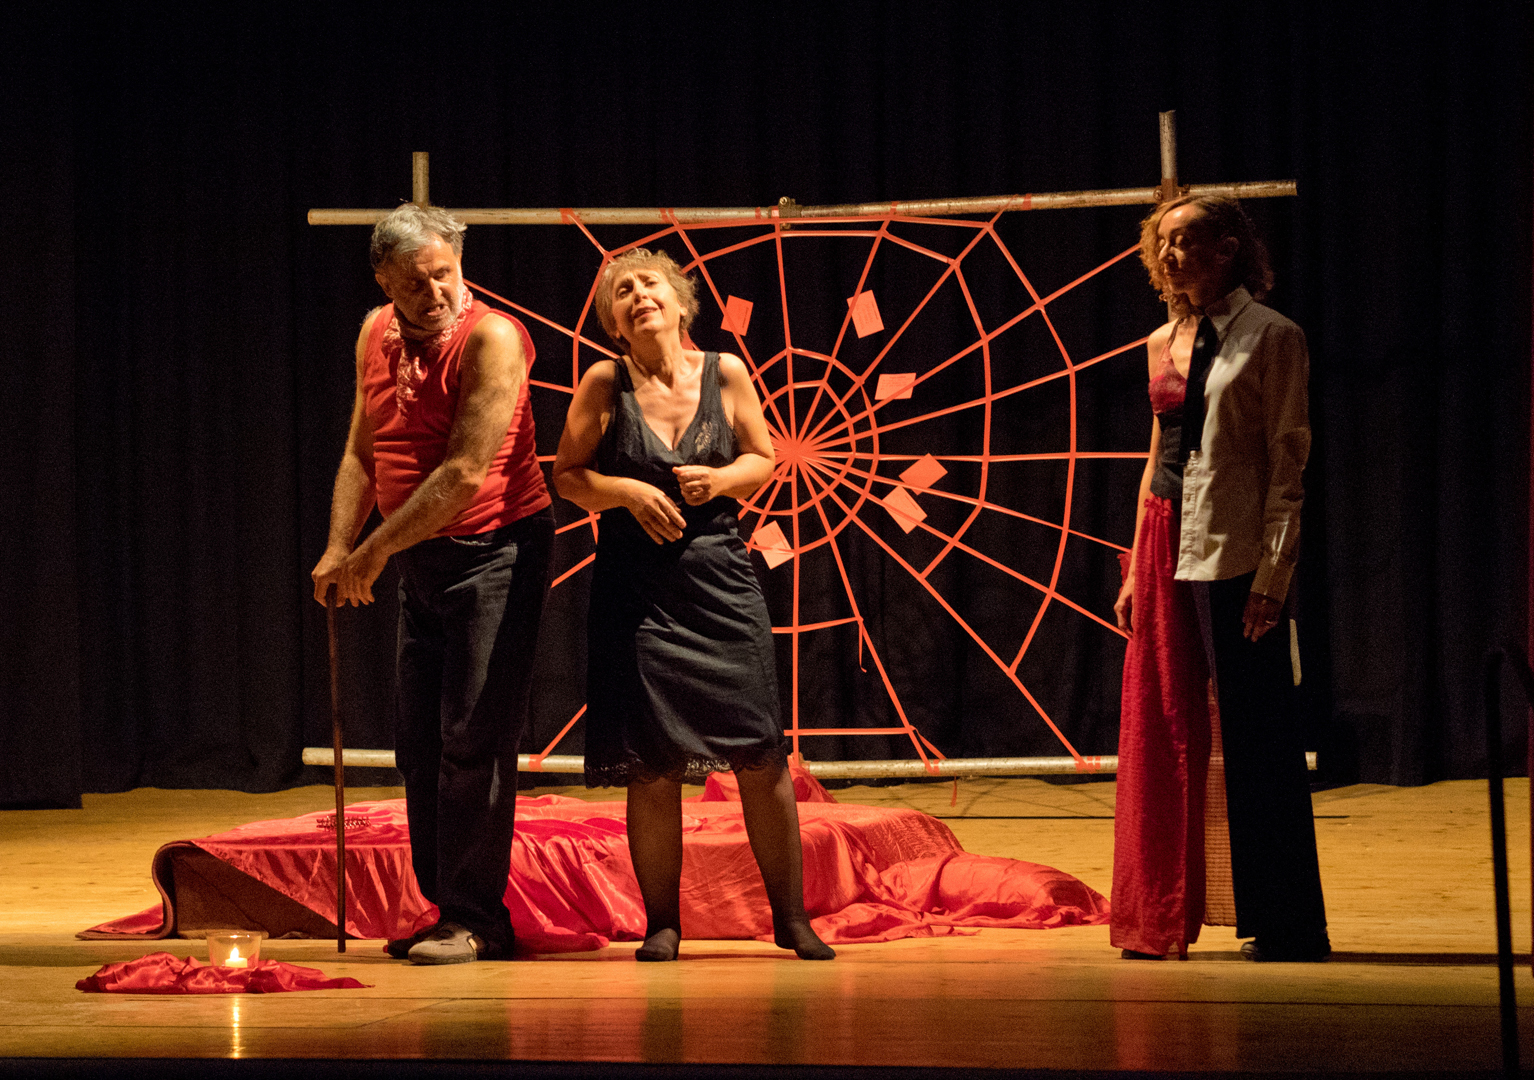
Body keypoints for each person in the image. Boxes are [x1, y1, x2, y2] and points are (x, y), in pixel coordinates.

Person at [552, 248, 834, 962]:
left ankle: (791, 918)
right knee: (652, 765)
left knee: (760, 754)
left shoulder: (725, 372)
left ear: (681, 303)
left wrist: (722, 480)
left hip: (719, 582)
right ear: (614, 323)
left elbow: (762, 457)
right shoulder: (604, 383)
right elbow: (568, 476)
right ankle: (662, 924)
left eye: (650, 283)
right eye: (622, 292)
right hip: (637, 592)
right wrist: (626, 492)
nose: (638, 295)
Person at [310, 204, 553, 964]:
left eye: (444, 273)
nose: (435, 292)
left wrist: (372, 554)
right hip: (420, 554)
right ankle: (444, 905)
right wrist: (338, 546)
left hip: (495, 550)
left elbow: (464, 473)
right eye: (415, 283)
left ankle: (477, 919)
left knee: (473, 736)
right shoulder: (373, 331)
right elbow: (362, 449)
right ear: (384, 282)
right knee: (418, 741)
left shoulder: (492, 337)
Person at [1111, 195, 1329, 962]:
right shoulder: (1160, 341)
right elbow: (1156, 457)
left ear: (1228, 248)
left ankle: (1288, 923)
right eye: (1163, 243)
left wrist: (1274, 572)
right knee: (1162, 725)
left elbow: (1288, 461)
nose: (1172, 256)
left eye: (1186, 241)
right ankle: (1159, 913)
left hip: (1234, 546)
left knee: (1257, 735)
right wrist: (1134, 568)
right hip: (1164, 539)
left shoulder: (1272, 336)